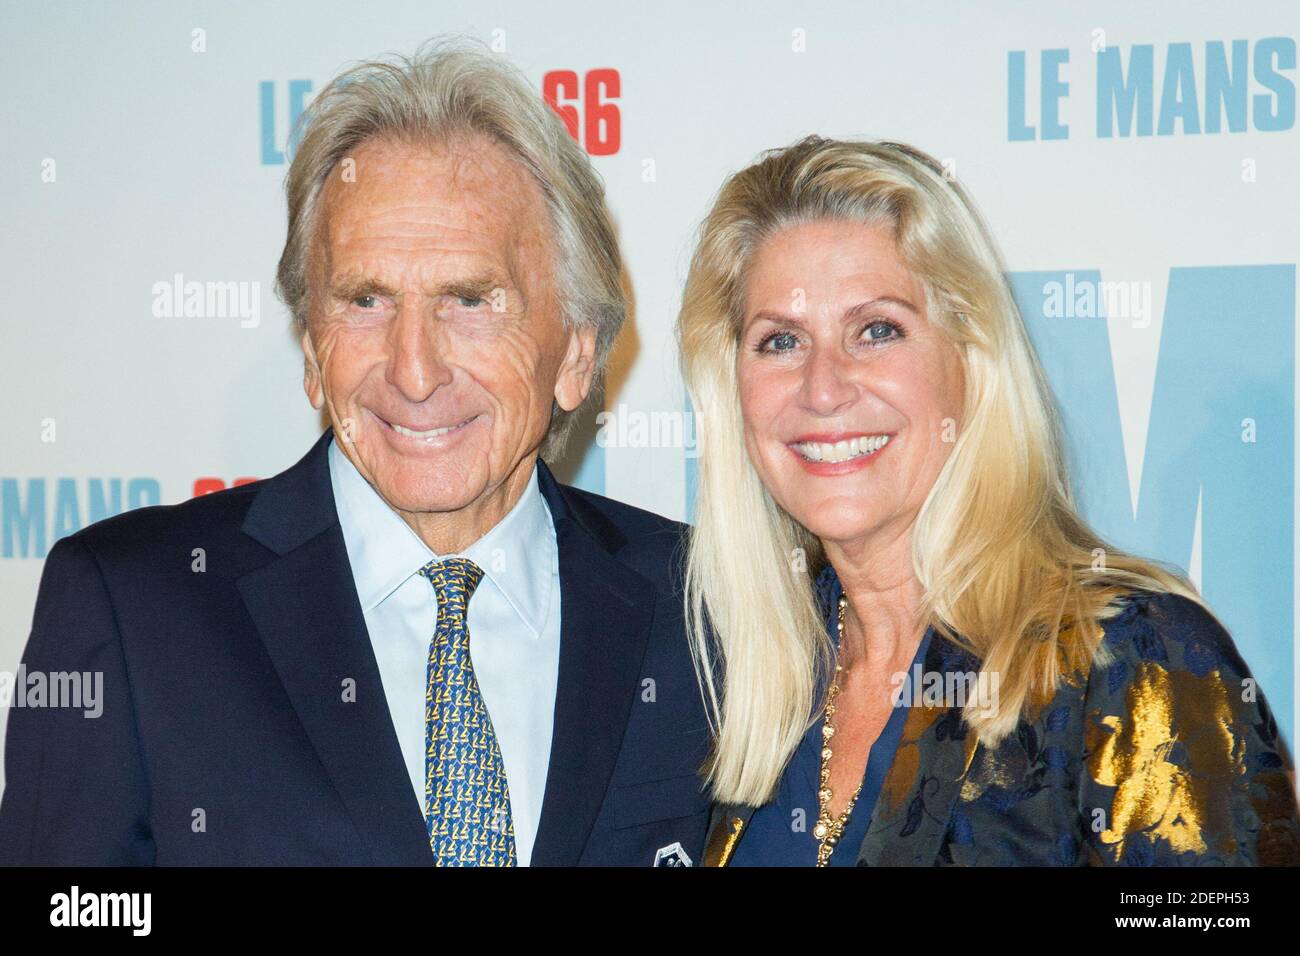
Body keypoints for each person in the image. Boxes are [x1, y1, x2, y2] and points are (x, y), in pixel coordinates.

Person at [0, 39, 710, 867]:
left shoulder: (699, 609)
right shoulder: (131, 606)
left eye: (470, 300)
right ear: (310, 349)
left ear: (579, 353)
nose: (414, 371)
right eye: (364, 300)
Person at [677, 135, 1300, 866]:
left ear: (971, 358)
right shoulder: (742, 682)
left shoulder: (1131, 660)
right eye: (780, 341)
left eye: (877, 330)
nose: (823, 388)